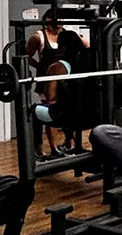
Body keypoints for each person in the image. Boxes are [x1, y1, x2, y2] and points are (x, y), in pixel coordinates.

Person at [31, 30, 85, 159]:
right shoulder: (89, 63)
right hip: (86, 114)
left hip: (63, 115)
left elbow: (50, 97)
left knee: (31, 112)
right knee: (70, 107)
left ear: (62, 48)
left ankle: (39, 152)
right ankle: (72, 145)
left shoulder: (57, 67)